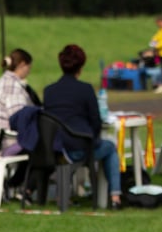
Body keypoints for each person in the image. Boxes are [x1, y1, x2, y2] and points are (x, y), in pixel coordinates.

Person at [43, 44, 122, 210]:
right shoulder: (85, 89)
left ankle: (62, 193)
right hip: (79, 148)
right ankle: (115, 196)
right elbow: (96, 121)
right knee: (110, 147)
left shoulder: (49, 91)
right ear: (81, 66)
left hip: (55, 148)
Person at [0, 48, 37, 153]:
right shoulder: (12, 86)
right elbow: (19, 118)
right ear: (22, 65)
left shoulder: (2, 81)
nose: (29, 72)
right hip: (7, 141)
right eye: (29, 68)